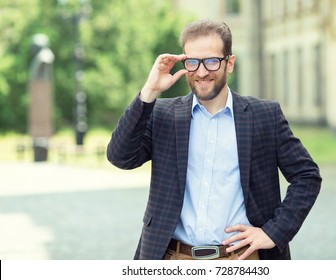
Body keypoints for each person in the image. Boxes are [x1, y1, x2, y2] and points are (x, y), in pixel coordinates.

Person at [107, 19, 322, 260]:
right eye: (192, 62)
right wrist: (149, 93)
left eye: (212, 61)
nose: (201, 72)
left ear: (229, 63)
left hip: (242, 259)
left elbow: (307, 176)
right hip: (173, 257)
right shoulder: (163, 115)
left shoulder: (264, 115)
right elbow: (120, 157)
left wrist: (274, 232)